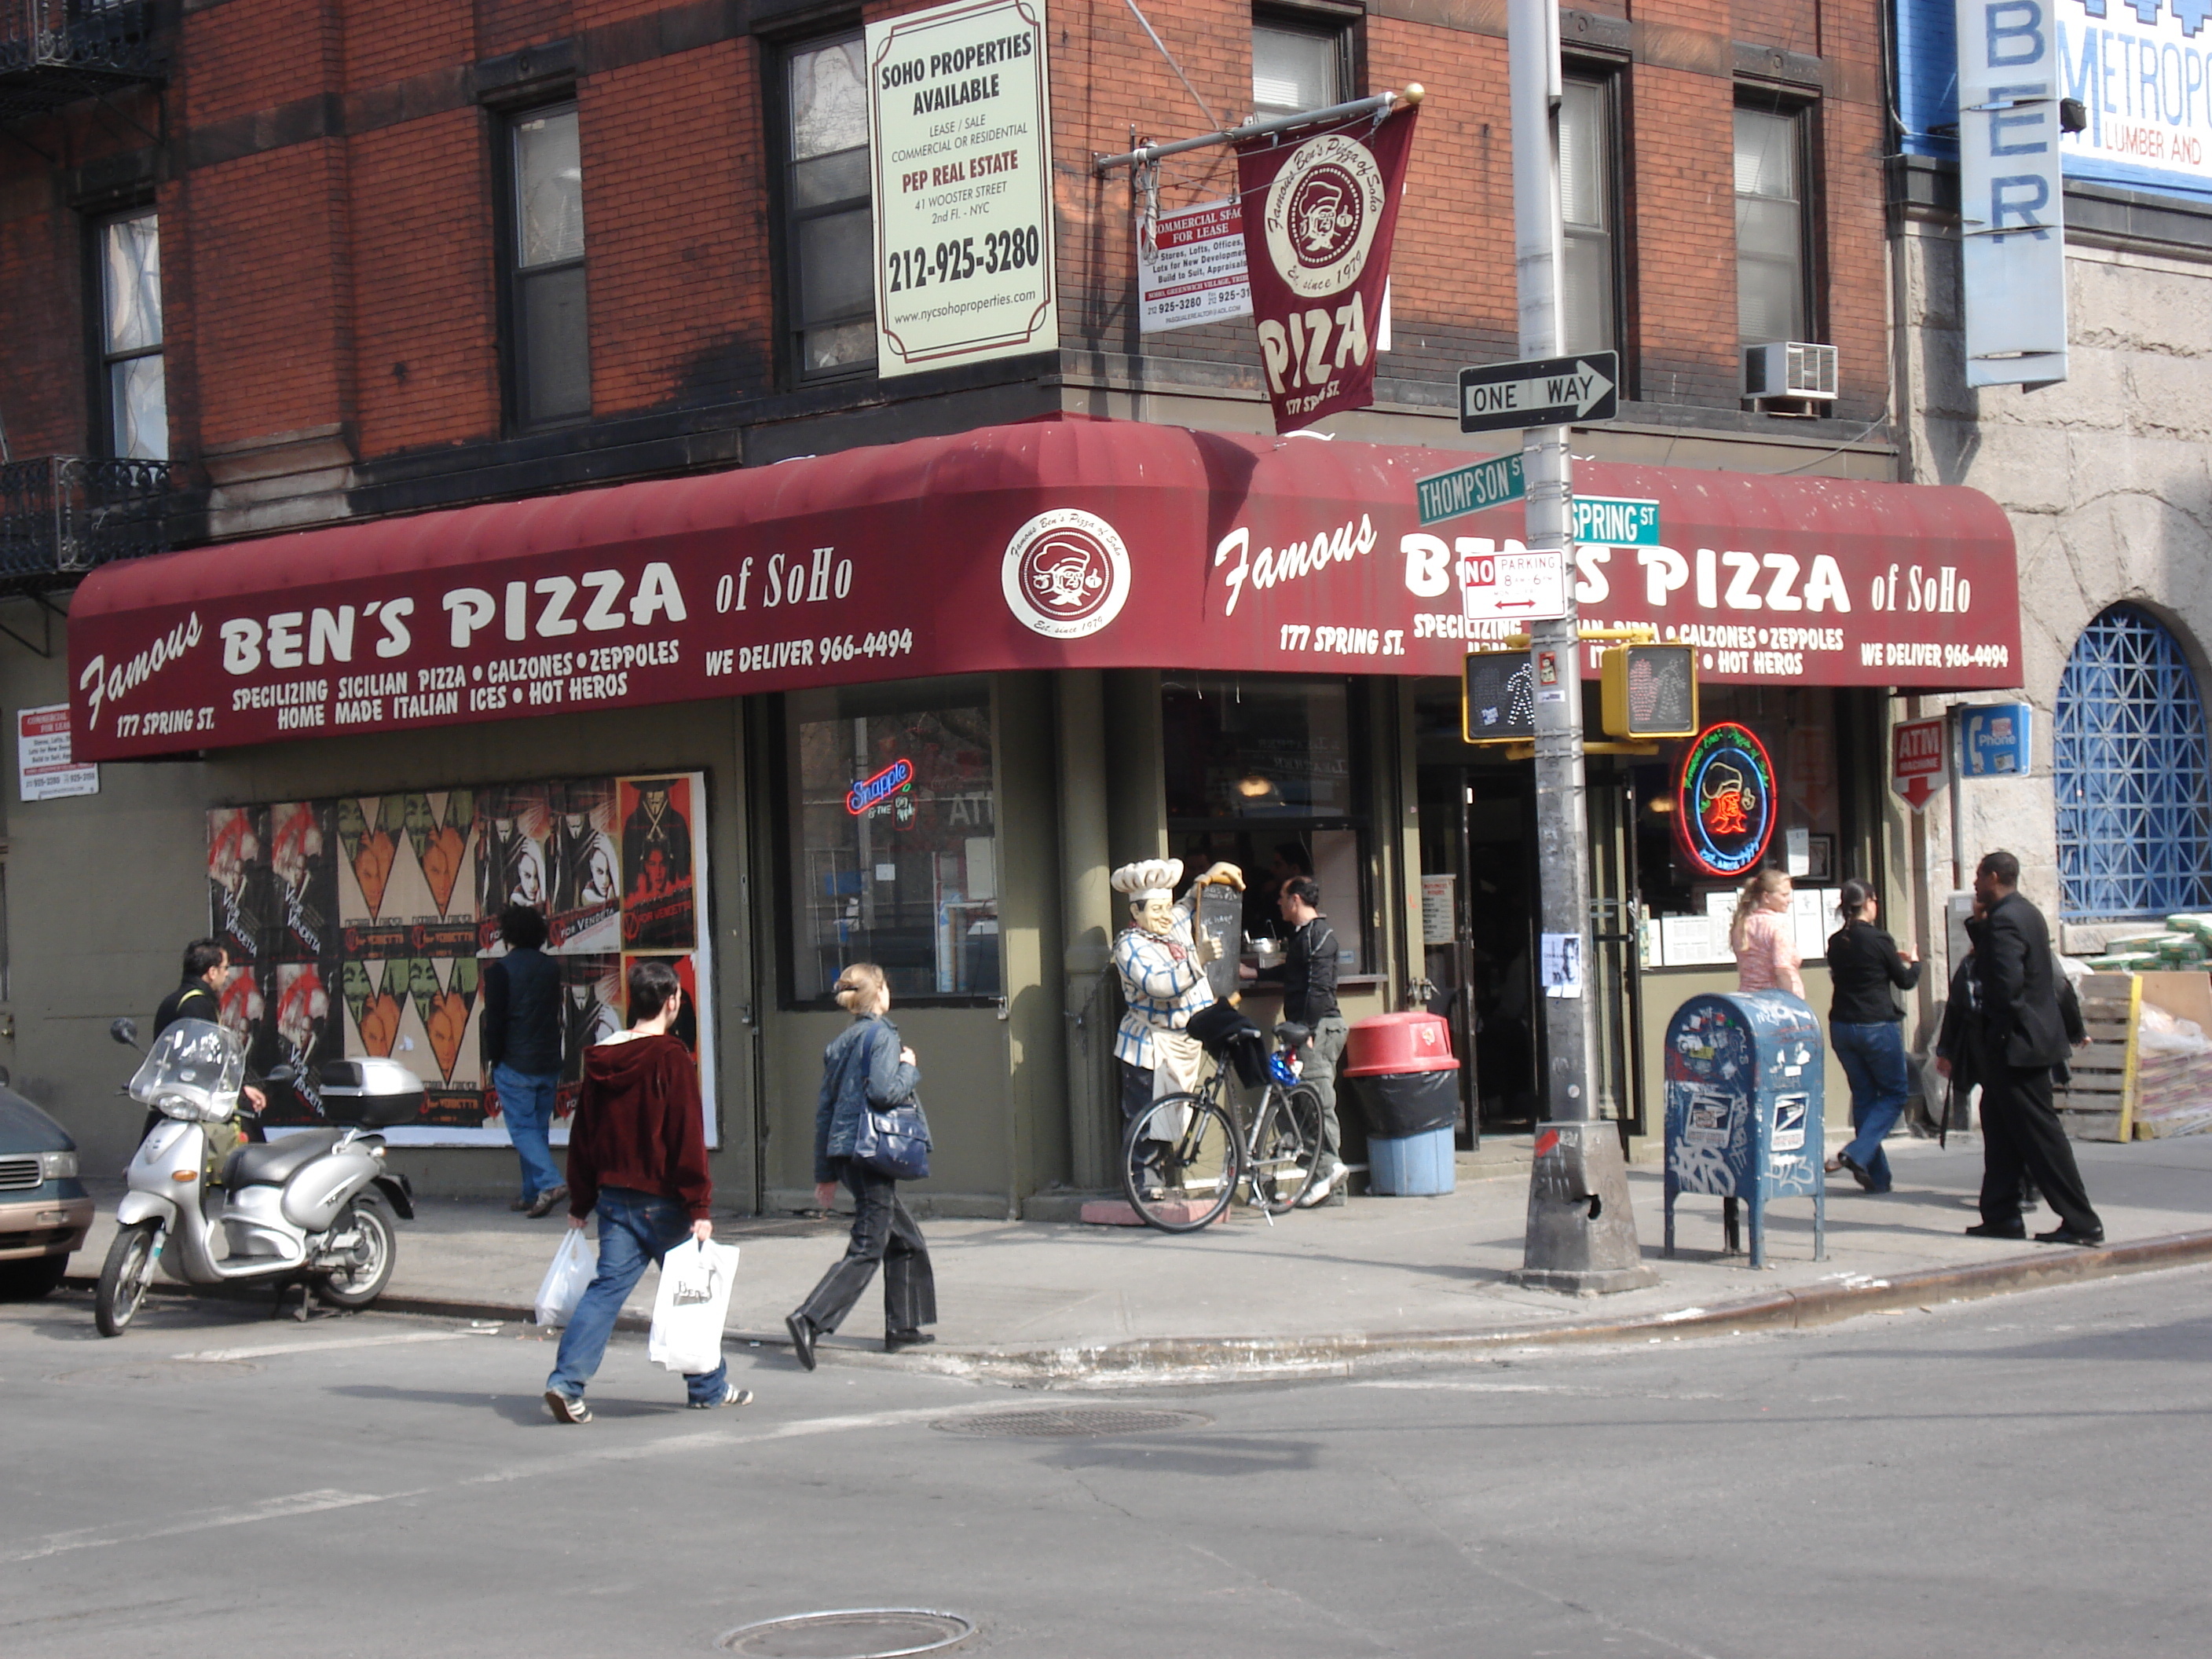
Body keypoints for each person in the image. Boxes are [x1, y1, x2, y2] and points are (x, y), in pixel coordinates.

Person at [544, 960, 750, 1423]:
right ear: (672, 1001)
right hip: (664, 1200)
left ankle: (566, 1381)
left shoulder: (601, 1058)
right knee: (692, 1292)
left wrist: (581, 1200)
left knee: (605, 1292)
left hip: (615, 1198)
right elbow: (686, 1134)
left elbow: (585, 1136)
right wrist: (699, 1203)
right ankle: (708, 1387)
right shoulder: (671, 1057)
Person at [785, 964, 937, 1369]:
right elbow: (885, 1092)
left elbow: (825, 1110)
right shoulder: (883, 1036)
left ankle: (903, 1327)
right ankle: (810, 1318)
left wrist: (825, 1172)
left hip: (847, 1154)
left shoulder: (842, 1042)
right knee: (870, 1244)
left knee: (905, 1239)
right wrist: (909, 1066)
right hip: (871, 1153)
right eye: (887, 985)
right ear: (880, 992)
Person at [1954, 851, 2103, 1246]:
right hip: (2024, 1042)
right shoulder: (2024, 913)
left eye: (1979, 876)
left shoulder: (2005, 921)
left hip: (2018, 1047)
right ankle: (2001, 1214)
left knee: (2041, 1136)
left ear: (1995, 876)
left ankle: (2081, 1221)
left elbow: (2005, 987)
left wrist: (1999, 1034)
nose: (1975, 883)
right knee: (2000, 1130)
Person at [1822, 879, 1922, 1192]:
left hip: (1842, 1024)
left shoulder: (1837, 941)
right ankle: (1857, 1151)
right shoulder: (1879, 939)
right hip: (1876, 1024)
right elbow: (1904, 981)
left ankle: (1877, 1177)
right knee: (1894, 1094)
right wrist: (1915, 963)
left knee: (1865, 1096)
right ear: (1869, 902)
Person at [1267, 875, 1349, 1207]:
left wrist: (1309, 1032)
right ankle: (1328, 1182)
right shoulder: (1306, 937)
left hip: (1314, 1031)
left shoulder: (1318, 937)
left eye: (1283, 897)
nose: (1279, 903)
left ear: (1296, 900)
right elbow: (1295, 974)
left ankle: (1328, 1172)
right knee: (1300, 1103)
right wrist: (1255, 973)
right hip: (1305, 1030)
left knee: (1316, 1105)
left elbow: (1318, 987)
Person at [482, 904, 566, 1217]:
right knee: (536, 1128)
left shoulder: (500, 971)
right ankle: (531, 1193)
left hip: (515, 1061)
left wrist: (495, 1058)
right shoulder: (551, 968)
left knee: (521, 1129)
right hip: (548, 1059)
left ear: (507, 934)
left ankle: (550, 1182)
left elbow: (496, 1021)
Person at [145, 939, 267, 1144]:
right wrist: (240, 1090)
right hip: (192, 1103)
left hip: (170, 1099)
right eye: (225, 968)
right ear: (212, 972)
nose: (227, 973)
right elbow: (209, 1057)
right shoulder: (197, 1004)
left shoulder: (173, 1001)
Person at [1730, 867, 1804, 998]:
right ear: (1766, 897)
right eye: (1784, 895)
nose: (1790, 900)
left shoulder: (1741, 925)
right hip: (1775, 1002)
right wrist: (1791, 1004)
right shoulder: (1777, 926)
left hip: (1748, 1000)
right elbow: (1782, 970)